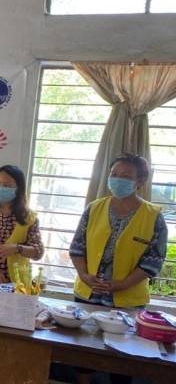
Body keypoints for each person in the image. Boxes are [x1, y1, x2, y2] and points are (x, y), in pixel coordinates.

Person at [70, 153, 167, 384]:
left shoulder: (153, 216)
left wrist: (122, 284)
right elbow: (77, 247)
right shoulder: (94, 208)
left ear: (140, 182)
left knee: (123, 356)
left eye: (126, 176)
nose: (118, 180)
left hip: (128, 297)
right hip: (89, 292)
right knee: (83, 351)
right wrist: (84, 276)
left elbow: (153, 261)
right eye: (114, 174)